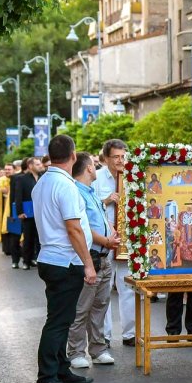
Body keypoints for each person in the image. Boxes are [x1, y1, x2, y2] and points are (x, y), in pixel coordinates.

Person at [32, 135, 98, 383]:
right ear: (73, 156)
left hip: (51, 258)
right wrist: (89, 264)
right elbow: (74, 229)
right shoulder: (65, 186)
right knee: (58, 322)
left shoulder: (43, 183)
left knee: (62, 318)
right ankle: (47, 377)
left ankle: (61, 369)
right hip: (64, 261)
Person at [67, 153, 120, 369]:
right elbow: (83, 227)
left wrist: (112, 231)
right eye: (93, 163)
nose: (95, 166)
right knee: (82, 308)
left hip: (104, 257)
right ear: (89, 168)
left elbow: (100, 218)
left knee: (100, 306)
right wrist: (107, 240)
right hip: (91, 256)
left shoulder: (89, 192)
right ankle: (76, 352)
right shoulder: (77, 193)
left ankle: (98, 350)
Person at [94, 140, 137, 347]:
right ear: (106, 158)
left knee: (127, 286)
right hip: (104, 239)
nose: (120, 161)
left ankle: (130, 333)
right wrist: (108, 199)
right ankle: (105, 336)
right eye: (116, 157)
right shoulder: (97, 177)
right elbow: (90, 206)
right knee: (104, 288)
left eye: (123, 156)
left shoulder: (132, 176)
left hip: (126, 239)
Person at [11, 157, 40, 269]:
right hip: (27, 213)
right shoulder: (22, 179)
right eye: (37, 164)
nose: (40, 166)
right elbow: (18, 196)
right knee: (28, 238)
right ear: (30, 166)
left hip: (40, 213)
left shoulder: (42, 177)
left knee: (39, 238)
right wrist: (20, 212)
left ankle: (36, 259)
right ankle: (26, 261)